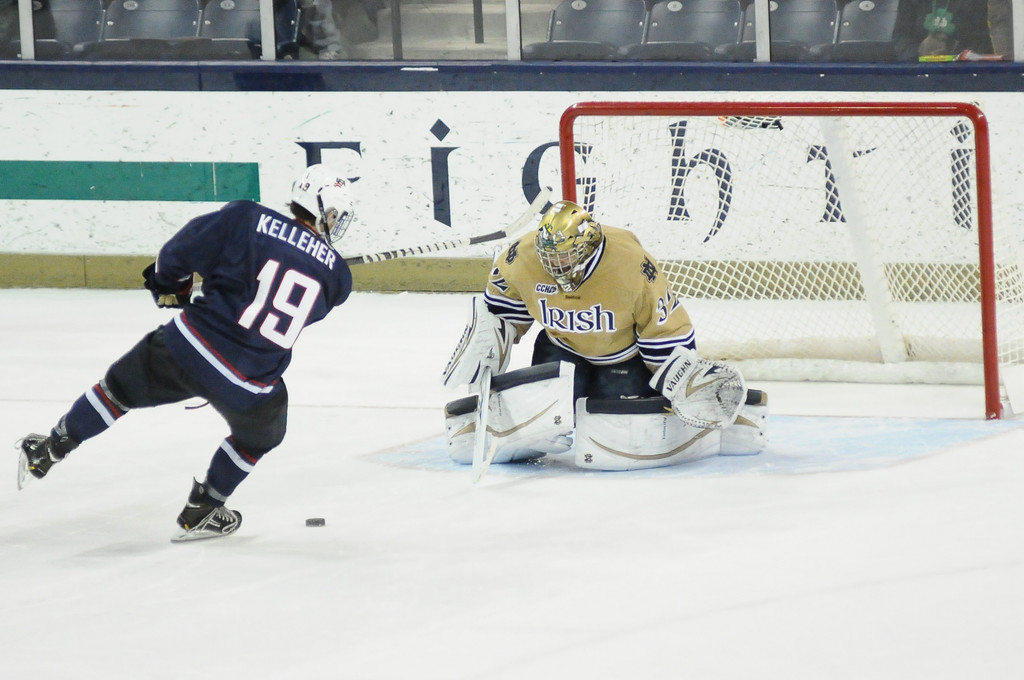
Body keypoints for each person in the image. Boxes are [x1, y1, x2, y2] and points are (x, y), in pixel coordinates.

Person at [16, 164, 357, 541]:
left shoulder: (245, 217)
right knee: (260, 437)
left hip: (188, 348)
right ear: (323, 209)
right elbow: (286, 307)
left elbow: (176, 256)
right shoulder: (338, 277)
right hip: (250, 383)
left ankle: (52, 447)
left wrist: (172, 289)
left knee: (117, 391)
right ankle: (205, 507)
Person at [441, 199, 768, 472]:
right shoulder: (521, 257)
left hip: (624, 359)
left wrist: (681, 380)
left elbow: (662, 328)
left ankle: (715, 433)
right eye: (549, 256)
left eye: (565, 255)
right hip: (559, 349)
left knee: (612, 432)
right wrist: (489, 344)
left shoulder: (628, 265)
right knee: (539, 416)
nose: (555, 264)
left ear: (586, 247)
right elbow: (502, 313)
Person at [893, 0, 995, 60]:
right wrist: (919, 50)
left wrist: (953, 53)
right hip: (917, 72)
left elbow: (986, 41)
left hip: (964, 75)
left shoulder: (977, 2)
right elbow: (900, 36)